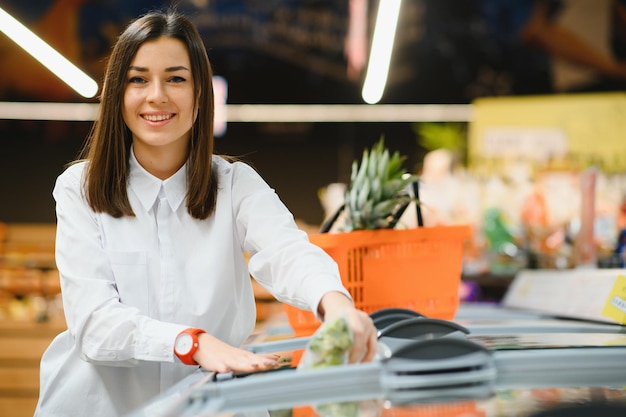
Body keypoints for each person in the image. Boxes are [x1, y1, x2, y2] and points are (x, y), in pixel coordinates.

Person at [34, 9, 377, 417]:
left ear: (201, 94)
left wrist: (335, 303)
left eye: (176, 78)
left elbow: (288, 251)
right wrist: (193, 343)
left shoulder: (235, 186)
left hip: (212, 407)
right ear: (117, 94)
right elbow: (94, 325)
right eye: (138, 79)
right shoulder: (80, 189)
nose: (156, 95)